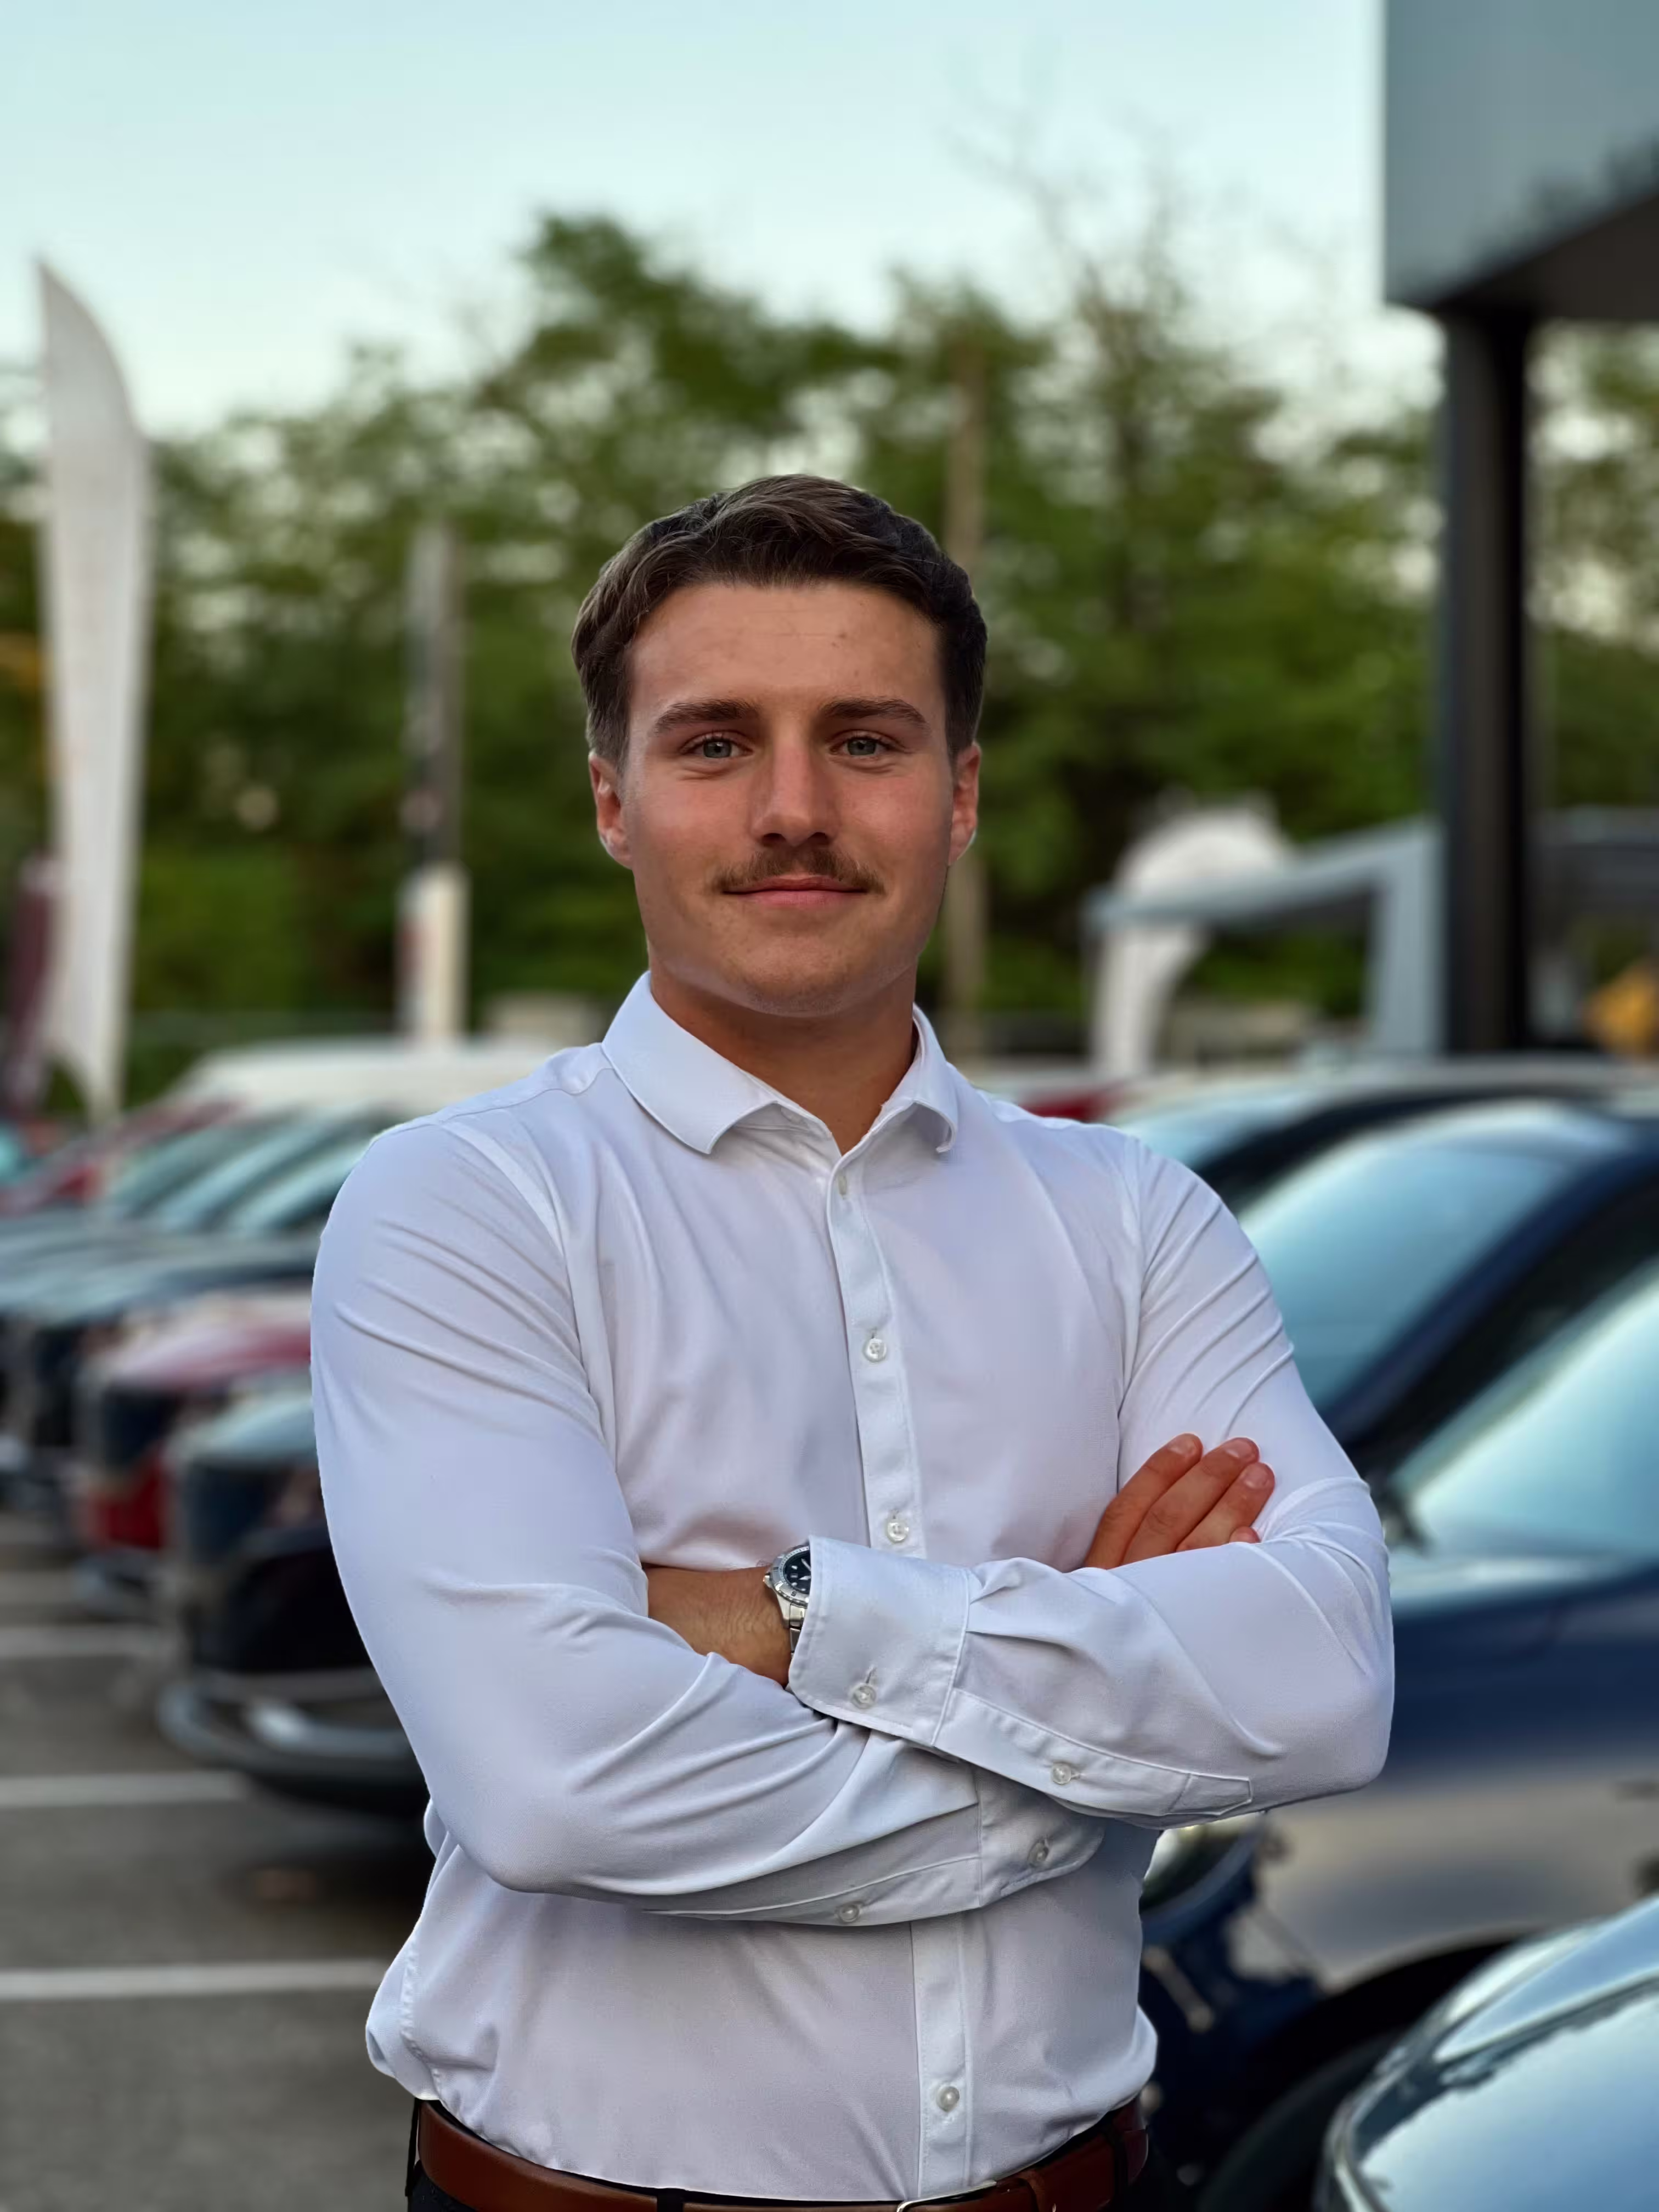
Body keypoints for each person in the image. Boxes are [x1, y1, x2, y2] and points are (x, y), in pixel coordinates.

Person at [312, 475, 1394, 2212]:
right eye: (717, 743)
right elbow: (556, 1784)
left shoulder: (1134, 1218)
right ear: (614, 799)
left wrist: (793, 1616)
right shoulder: (468, 1206)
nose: (795, 809)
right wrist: (1095, 1765)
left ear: (959, 796)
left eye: (869, 742)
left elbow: (1324, 1681)